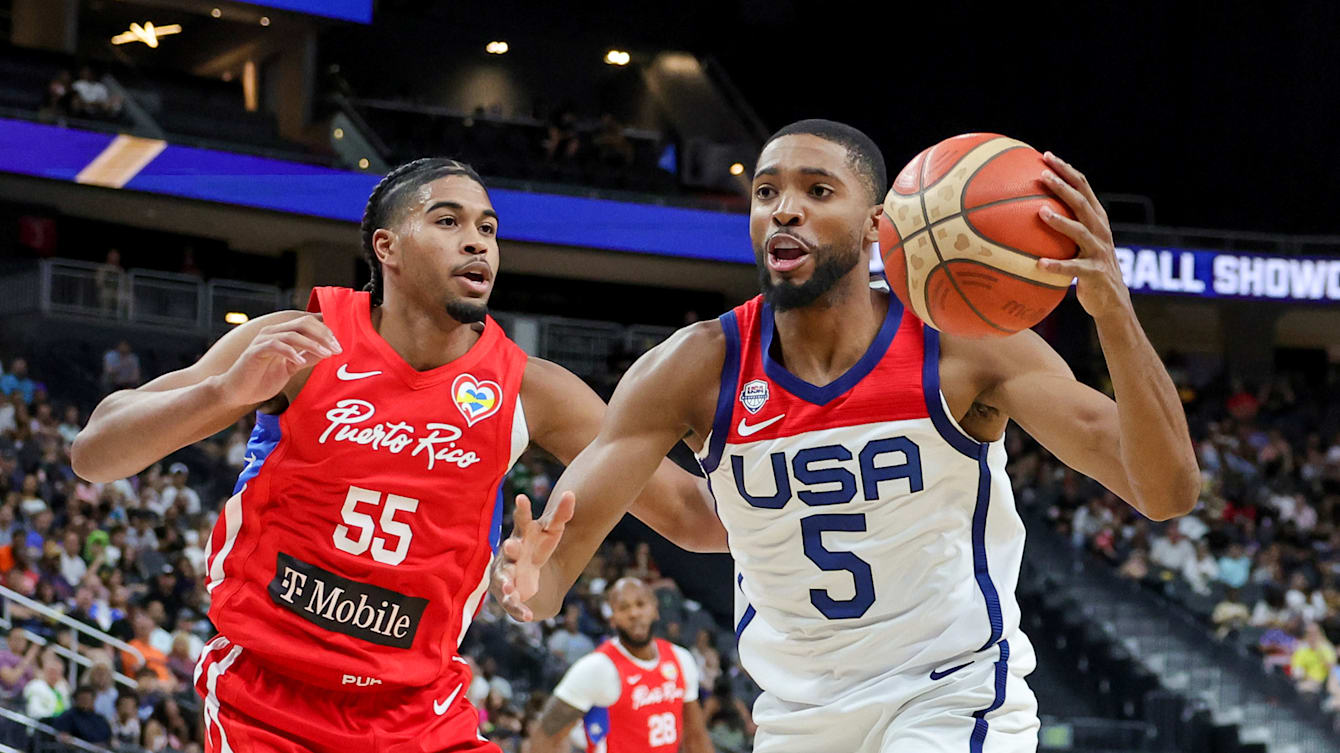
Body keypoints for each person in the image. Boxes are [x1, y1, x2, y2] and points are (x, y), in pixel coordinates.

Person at [495, 120, 1199, 752]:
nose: (784, 208)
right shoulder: (692, 369)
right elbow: (576, 566)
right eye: (766, 191)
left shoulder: (966, 350)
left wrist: (1113, 312)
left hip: (950, 694)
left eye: (817, 190)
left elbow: (1165, 491)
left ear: (876, 225)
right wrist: (532, 578)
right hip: (797, 713)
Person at [72, 157, 720, 753]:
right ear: (388, 247)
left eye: (488, 228)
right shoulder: (303, 342)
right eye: (449, 220)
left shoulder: (531, 390)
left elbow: (691, 512)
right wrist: (221, 392)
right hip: (270, 697)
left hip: (419, 710)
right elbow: (95, 451)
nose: (478, 241)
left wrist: (806, 462)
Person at [528, 578, 713, 753]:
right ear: (613, 618)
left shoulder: (681, 659)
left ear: (655, 609)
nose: (634, 613)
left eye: (640, 604)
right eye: (624, 607)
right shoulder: (597, 668)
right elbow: (545, 737)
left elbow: (696, 737)